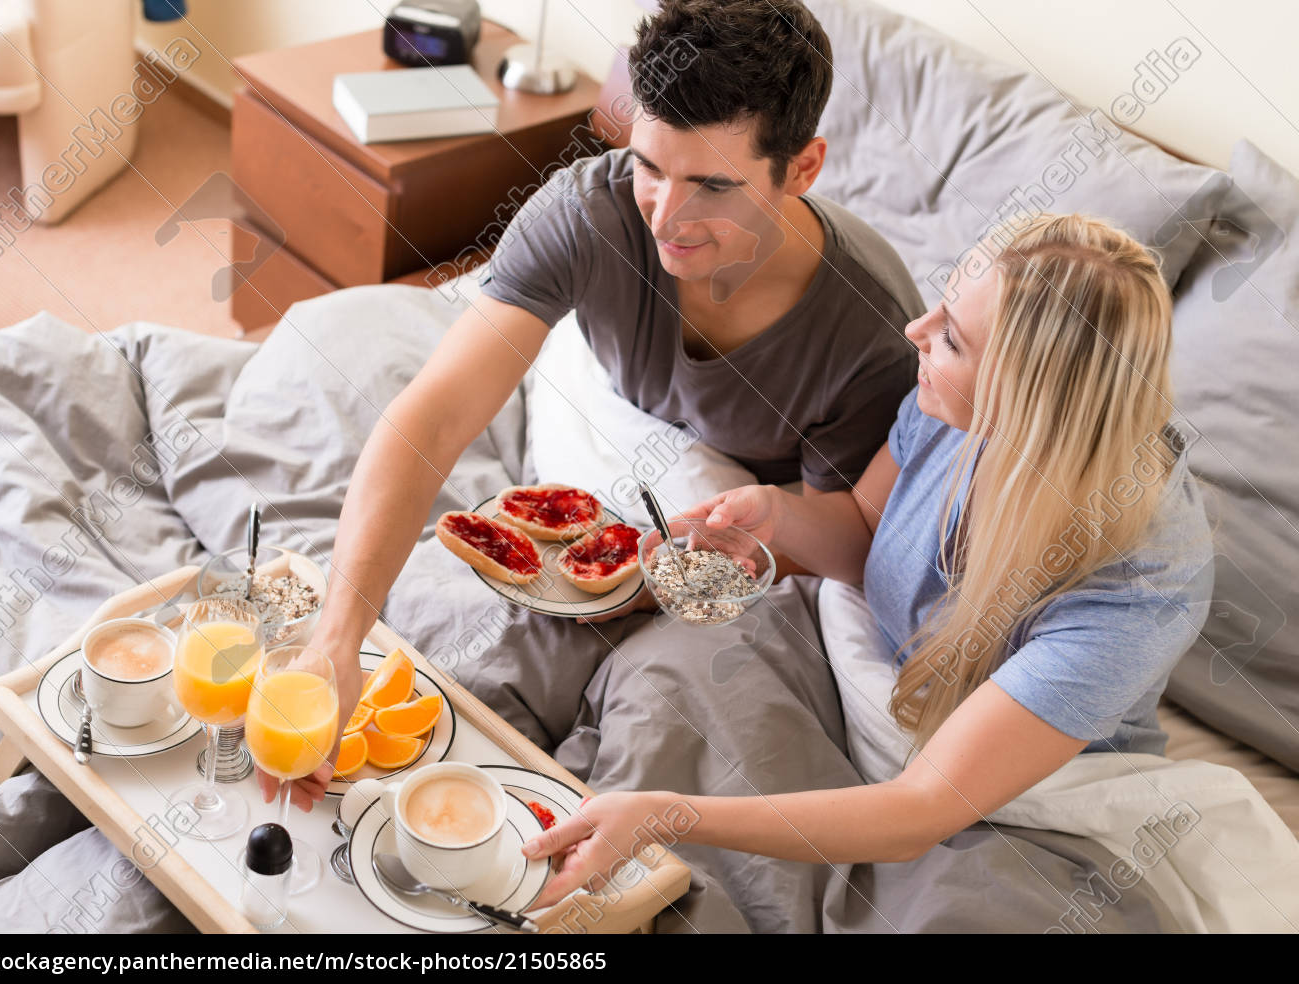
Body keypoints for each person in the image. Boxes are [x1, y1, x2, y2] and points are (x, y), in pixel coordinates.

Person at [265, 0, 924, 807]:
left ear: (803, 168)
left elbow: (851, 536)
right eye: (651, 166)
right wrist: (337, 640)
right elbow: (433, 414)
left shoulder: (871, 336)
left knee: (669, 731)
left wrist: (664, 568)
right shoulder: (589, 210)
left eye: (713, 184)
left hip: (739, 531)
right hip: (611, 429)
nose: (667, 217)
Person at [519, 213, 1214, 912]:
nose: (916, 329)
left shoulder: (1139, 589)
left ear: (1027, 402)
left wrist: (668, 815)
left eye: (951, 338)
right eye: (942, 303)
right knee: (661, 690)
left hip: (1004, 791)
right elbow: (863, 533)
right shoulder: (949, 403)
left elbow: (920, 811)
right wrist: (778, 514)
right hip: (866, 679)